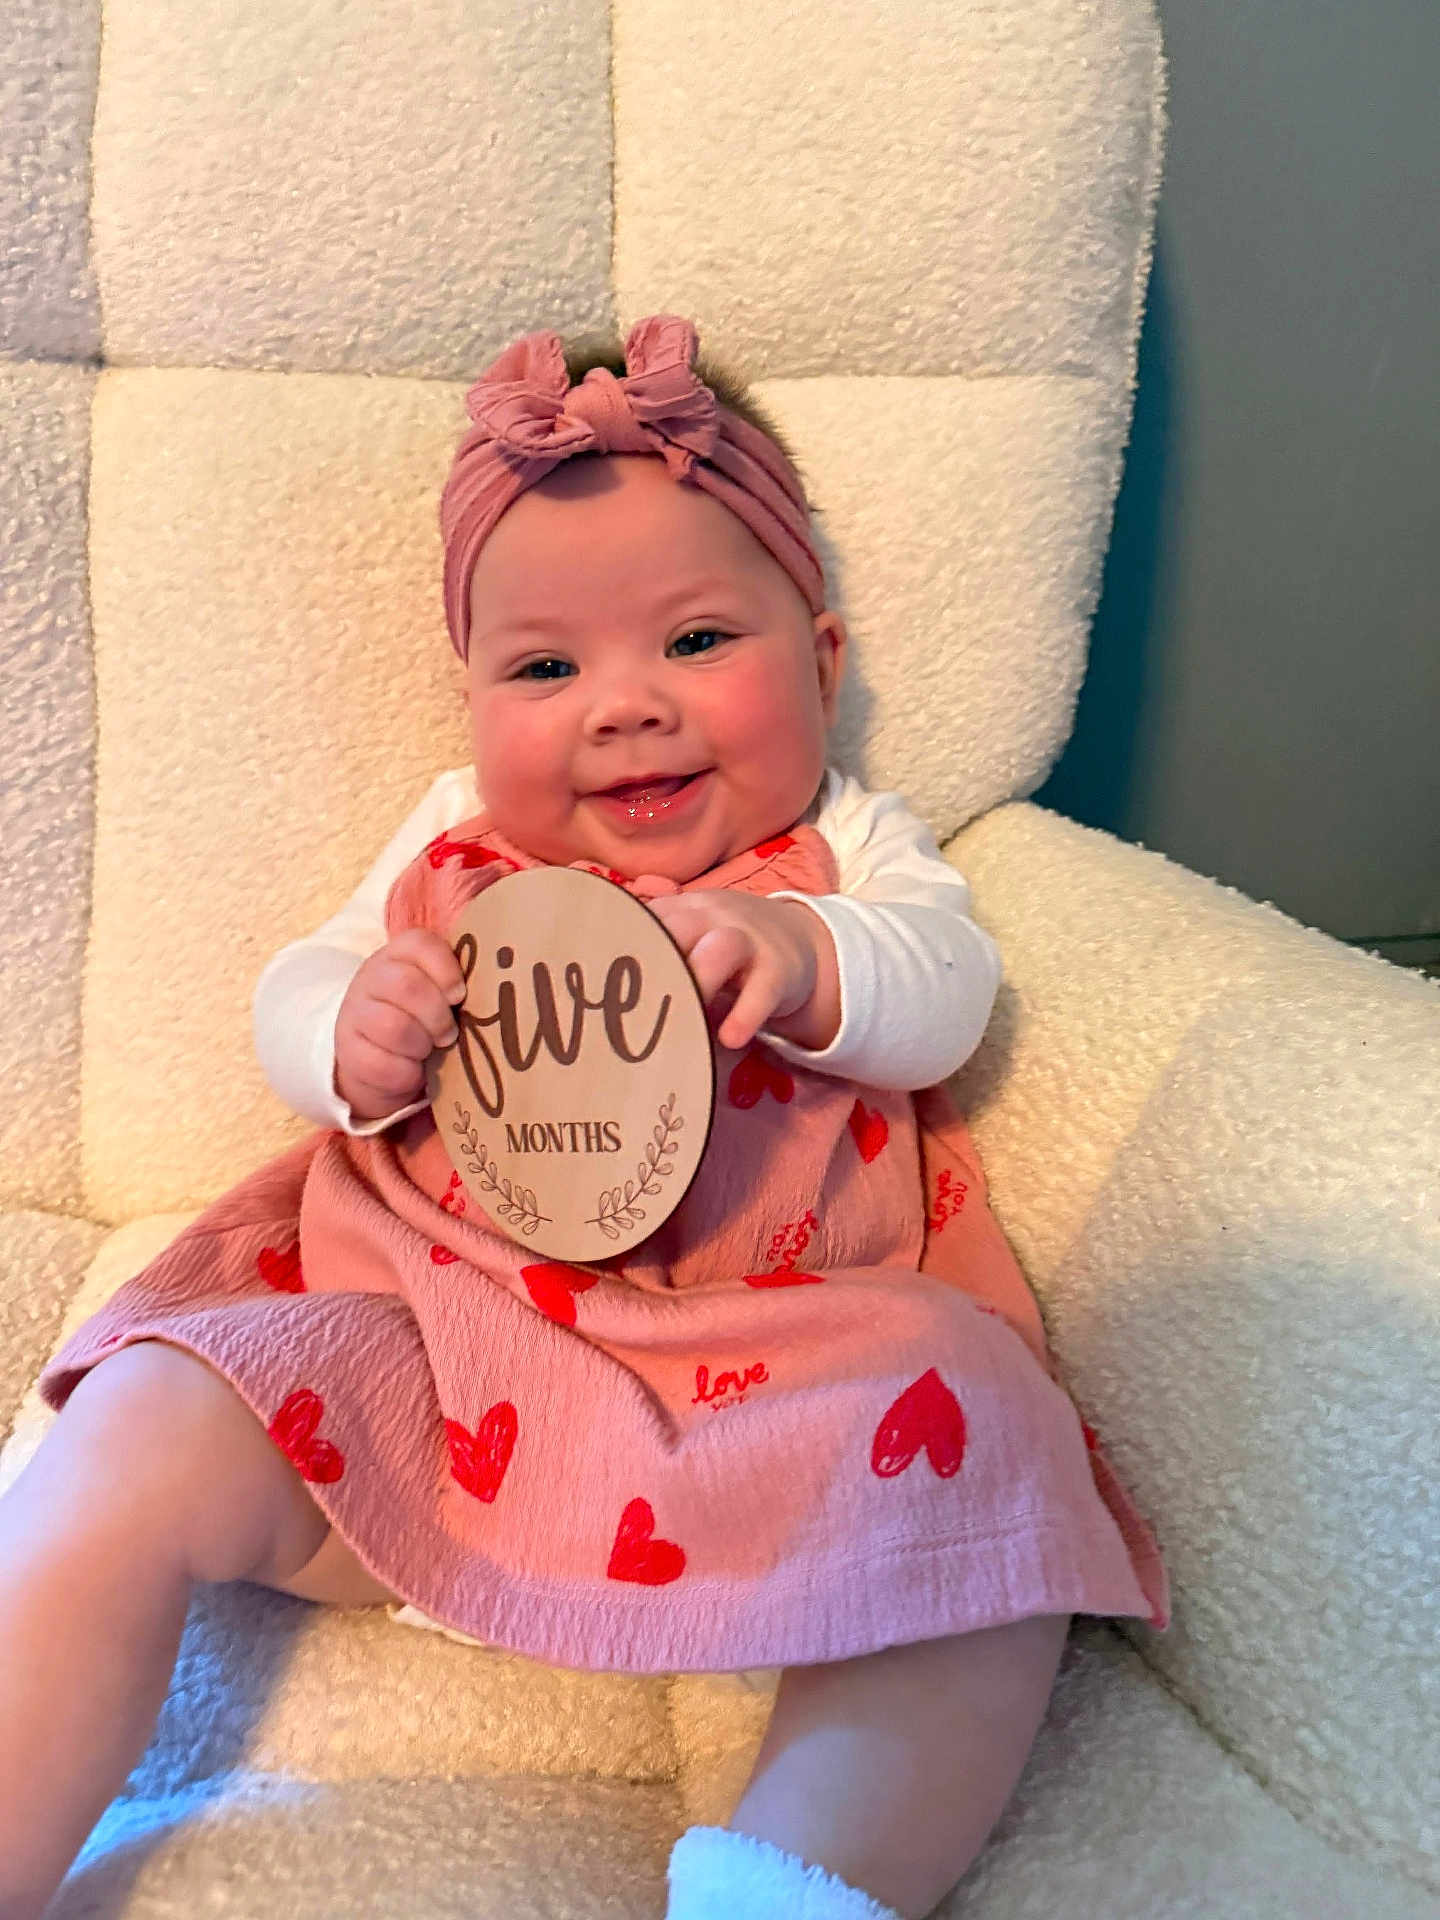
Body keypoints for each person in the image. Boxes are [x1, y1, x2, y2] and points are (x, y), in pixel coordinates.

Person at [0, 315, 1168, 1920]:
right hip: (434, 1357)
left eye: (697, 642)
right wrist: (358, 1025)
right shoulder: (455, 848)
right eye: (546, 669)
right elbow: (296, 996)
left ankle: (796, 1880)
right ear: (472, 702)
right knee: (142, 1412)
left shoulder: (848, 848)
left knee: (991, 1438)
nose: (624, 707)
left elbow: (949, 992)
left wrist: (807, 956)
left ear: (822, 665)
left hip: (776, 1377)